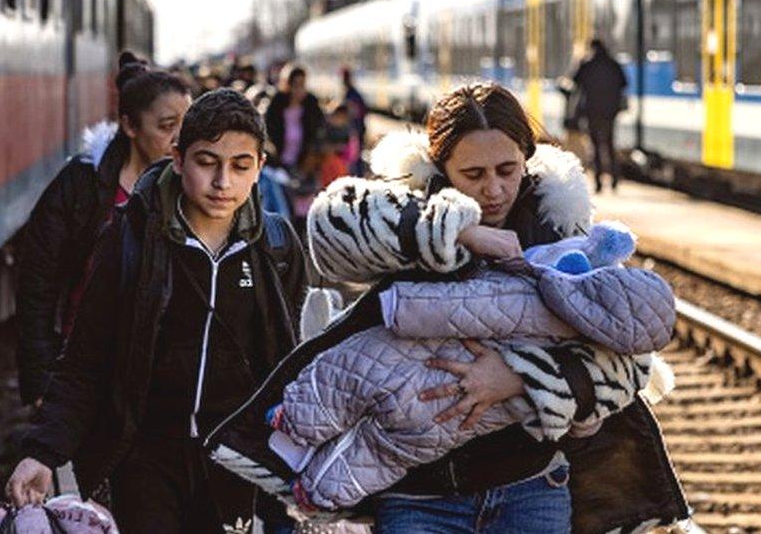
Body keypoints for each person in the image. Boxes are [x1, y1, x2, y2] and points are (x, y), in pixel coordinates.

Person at [207, 82, 689, 533]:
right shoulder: (411, 213)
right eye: (473, 175)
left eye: (507, 170)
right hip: (418, 500)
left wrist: (519, 378)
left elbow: (626, 367)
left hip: (531, 487)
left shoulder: (559, 233)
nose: (495, 190)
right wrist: (456, 231)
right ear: (440, 169)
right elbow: (329, 228)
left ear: (527, 158)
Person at [6, 89, 308, 533]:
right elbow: (85, 359)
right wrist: (43, 450)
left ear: (260, 167)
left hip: (237, 461)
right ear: (178, 158)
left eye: (241, 166)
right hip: (146, 458)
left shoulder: (276, 248)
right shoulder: (131, 238)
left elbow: (292, 358)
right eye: (207, 162)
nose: (223, 182)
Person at [16, 52, 190, 407]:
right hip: (85, 368)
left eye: (188, 126)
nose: (180, 139)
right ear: (129, 126)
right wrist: (42, 381)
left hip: (165, 376)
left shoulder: (196, 187)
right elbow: (37, 285)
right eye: (167, 126)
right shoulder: (81, 185)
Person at [574, 39, 628, 193]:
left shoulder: (587, 64)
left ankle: (598, 182)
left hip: (592, 111)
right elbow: (624, 83)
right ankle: (615, 181)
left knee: (596, 146)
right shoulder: (613, 64)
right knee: (610, 144)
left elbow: (575, 82)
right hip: (610, 112)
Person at [265, 64, 325, 170]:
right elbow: (269, 128)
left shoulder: (311, 104)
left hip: (303, 162)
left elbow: (319, 129)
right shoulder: (277, 103)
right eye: (295, 85)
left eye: (302, 85)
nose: (299, 90)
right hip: (279, 160)